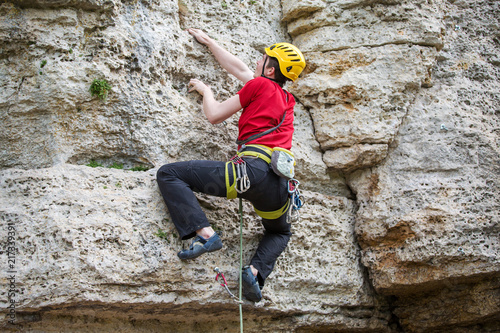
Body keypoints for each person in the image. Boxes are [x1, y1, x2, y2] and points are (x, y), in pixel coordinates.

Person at [156, 28, 305, 302]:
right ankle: (255, 272)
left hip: (249, 172)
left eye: (264, 58)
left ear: (271, 70)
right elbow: (241, 69)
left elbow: (213, 115)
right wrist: (210, 42)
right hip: (279, 186)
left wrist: (206, 90)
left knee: (169, 174)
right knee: (280, 232)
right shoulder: (286, 99)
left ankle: (205, 234)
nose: (258, 60)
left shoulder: (259, 86)